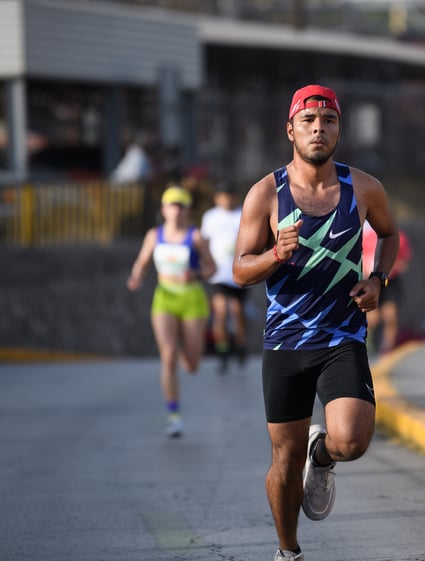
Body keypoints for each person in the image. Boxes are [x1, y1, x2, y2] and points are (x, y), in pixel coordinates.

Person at [232, 84, 400, 561]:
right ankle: (289, 552)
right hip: (284, 342)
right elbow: (240, 269)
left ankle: (321, 455)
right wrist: (274, 255)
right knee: (282, 460)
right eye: (308, 122)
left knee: (352, 438)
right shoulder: (267, 193)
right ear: (291, 130)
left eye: (327, 122)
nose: (318, 130)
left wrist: (378, 279)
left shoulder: (363, 188)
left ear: (338, 130)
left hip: (342, 335)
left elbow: (389, 234)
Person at [127, 186, 217, 437]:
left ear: (187, 210)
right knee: (167, 357)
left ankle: (179, 346)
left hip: (191, 298)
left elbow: (212, 268)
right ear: (164, 210)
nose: (176, 211)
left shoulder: (195, 236)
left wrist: (197, 273)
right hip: (165, 297)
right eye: (171, 206)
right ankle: (173, 415)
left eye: (181, 206)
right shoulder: (154, 236)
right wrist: (136, 277)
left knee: (191, 364)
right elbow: (142, 261)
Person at [201, 181, 249, 372]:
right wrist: (205, 264)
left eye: (229, 195)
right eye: (222, 195)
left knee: (237, 312)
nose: (226, 199)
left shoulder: (242, 214)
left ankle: (240, 345)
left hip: (237, 272)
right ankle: (222, 352)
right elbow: (204, 242)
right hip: (218, 273)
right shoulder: (210, 217)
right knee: (220, 312)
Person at [362, 221, 413, 354]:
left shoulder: (399, 237)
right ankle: (366, 345)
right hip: (372, 280)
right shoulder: (367, 237)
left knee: (390, 316)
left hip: (389, 281)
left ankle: (387, 349)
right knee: (372, 318)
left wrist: (391, 267)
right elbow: (360, 260)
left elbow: (404, 262)